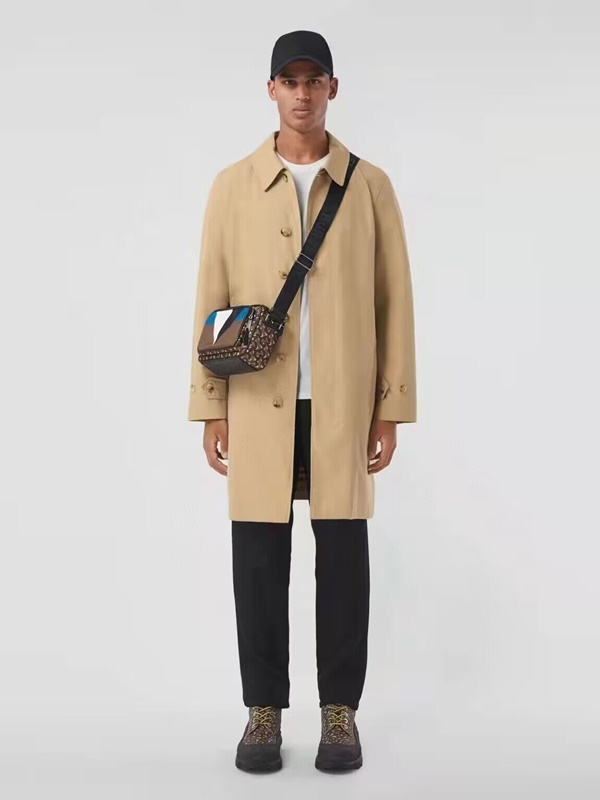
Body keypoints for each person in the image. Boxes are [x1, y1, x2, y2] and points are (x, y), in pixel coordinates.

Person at [187, 29, 417, 773]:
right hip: (257, 402)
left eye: (314, 80)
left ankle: (339, 712)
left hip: (342, 404)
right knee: (258, 560)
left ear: (333, 89)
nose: (302, 93)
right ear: (270, 90)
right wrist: (210, 405)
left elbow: (394, 302)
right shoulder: (232, 186)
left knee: (343, 560)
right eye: (289, 80)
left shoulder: (369, 186)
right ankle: (262, 712)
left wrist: (390, 406)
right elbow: (211, 296)